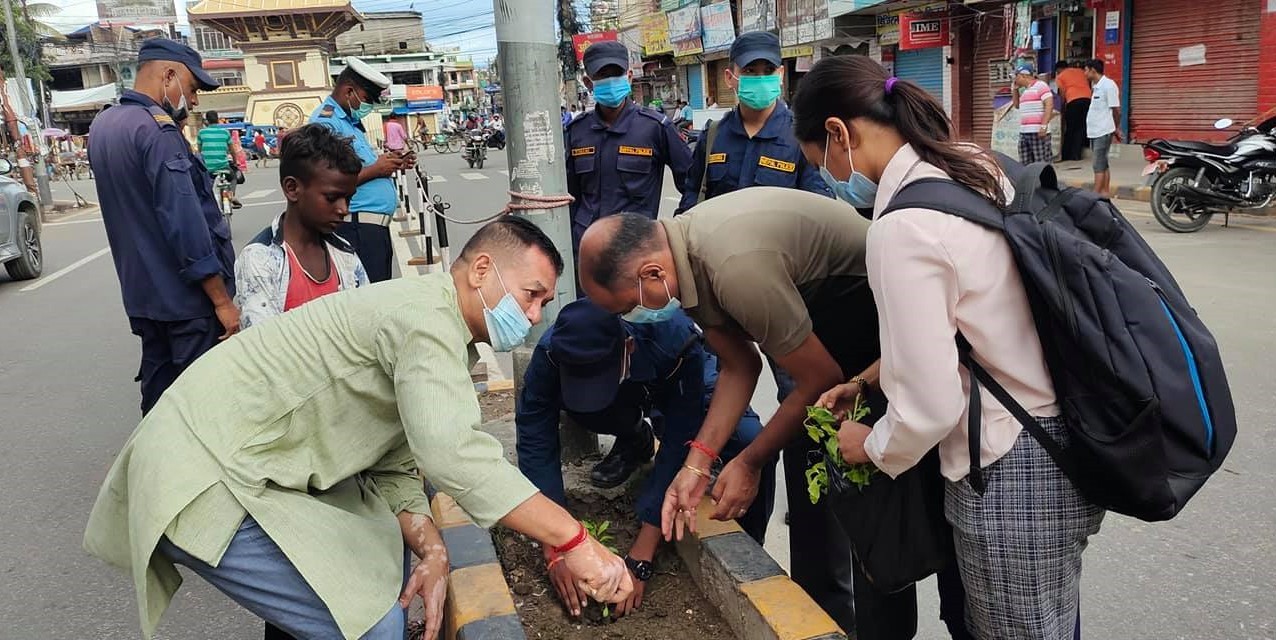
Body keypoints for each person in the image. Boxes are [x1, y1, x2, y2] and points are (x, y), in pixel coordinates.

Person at [83, 216, 635, 640]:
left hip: (245, 463)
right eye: (531, 294)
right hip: (209, 474)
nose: (535, 315)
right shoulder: (427, 322)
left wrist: (433, 549)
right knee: (372, 625)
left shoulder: (432, 319)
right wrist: (573, 538)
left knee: (378, 555)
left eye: (543, 302)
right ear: (483, 269)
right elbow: (452, 454)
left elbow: (395, 456)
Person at [793, 54, 1103, 640]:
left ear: (838, 132)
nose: (831, 177)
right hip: (1060, 445)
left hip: (1009, 468)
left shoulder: (902, 226)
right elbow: (974, 324)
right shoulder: (970, 166)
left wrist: (871, 445)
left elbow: (929, 407)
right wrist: (867, 380)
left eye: (821, 161)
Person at [576, 197, 885, 636]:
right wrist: (696, 463)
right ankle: (830, 619)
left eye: (627, 308)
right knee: (815, 486)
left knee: (872, 516)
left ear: (650, 274)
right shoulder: (681, 264)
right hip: (826, 339)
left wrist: (750, 462)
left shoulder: (733, 269)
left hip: (871, 341)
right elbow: (740, 365)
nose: (634, 319)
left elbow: (819, 380)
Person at [516, 299, 774, 618]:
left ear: (628, 348)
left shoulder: (675, 341)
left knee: (747, 437)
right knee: (590, 409)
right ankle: (635, 439)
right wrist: (554, 544)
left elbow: (682, 439)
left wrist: (642, 555)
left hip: (685, 380)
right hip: (632, 388)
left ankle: (750, 548)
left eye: (598, 379)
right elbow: (534, 437)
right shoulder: (552, 352)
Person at [87, 38, 238, 415]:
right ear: (168, 75)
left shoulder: (104, 124)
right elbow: (185, 223)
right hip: (186, 303)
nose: (195, 100)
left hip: (144, 297)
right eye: (192, 88)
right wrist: (221, 301)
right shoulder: (159, 131)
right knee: (200, 409)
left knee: (158, 405)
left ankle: (152, 471)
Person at [676, 31, 828, 214]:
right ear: (729, 77)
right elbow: (692, 195)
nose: (761, 79)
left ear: (780, 74)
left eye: (768, 71)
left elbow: (819, 210)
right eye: (750, 71)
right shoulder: (712, 136)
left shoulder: (803, 136)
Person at [235, 124, 370, 330]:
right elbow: (264, 345)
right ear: (292, 188)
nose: (343, 209)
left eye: (348, 198)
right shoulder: (259, 260)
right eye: (332, 198)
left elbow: (364, 321)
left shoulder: (345, 254)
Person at [565, 40, 692, 256]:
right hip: (585, 251)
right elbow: (566, 195)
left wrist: (675, 232)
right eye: (602, 76)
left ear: (629, 77)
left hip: (636, 251)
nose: (611, 81)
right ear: (588, 83)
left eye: (617, 73)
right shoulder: (576, 131)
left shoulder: (655, 127)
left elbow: (692, 183)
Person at [310, 57, 411, 283]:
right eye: (367, 99)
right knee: (369, 306)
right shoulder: (327, 122)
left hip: (372, 230)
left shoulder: (350, 124)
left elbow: (358, 167)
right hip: (355, 229)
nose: (369, 106)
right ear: (348, 91)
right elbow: (327, 182)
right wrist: (376, 169)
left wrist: (392, 163)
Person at [1084, 58, 1121, 198]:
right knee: (1102, 163)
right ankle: (1105, 192)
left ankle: (1096, 194)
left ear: (1093, 71)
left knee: (1098, 165)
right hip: (1095, 131)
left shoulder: (1108, 86)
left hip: (1103, 130)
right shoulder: (1096, 86)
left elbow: (1116, 110)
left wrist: (1115, 128)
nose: (1084, 73)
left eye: (1086, 70)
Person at [197, 110, 241, 208]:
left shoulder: (202, 133)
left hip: (208, 167)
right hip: (223, 166)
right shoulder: (225, 132)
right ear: (217, 119)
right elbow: (232, 151)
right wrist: (235, 162)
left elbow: (199, 152)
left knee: (207, 184)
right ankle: (231, 195)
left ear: (207, 121)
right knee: (233, 177)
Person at [1012, 64, 1055, 165]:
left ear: (1024, 75)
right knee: (1025, 163)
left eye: (1016, 76)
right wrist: (1015, 89)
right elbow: (1016, 105)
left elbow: (1049, 105)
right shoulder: (1025, 91)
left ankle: (1044, 181)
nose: (1015, 79)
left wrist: (1043, 126)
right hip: (1024, 132)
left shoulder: (1041, 86)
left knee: (1041, 163)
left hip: (1038, 132)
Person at [1053, 61, 1092, 161]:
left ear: (1059, 70)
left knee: (1071, 129)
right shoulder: (1080, 71)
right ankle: (1077, 154)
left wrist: (1062, 108)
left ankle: (1067, 155)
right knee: (1082, 127)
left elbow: (1062, 94)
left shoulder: (1060, 76)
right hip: (1088, 100)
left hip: (1073, 101)